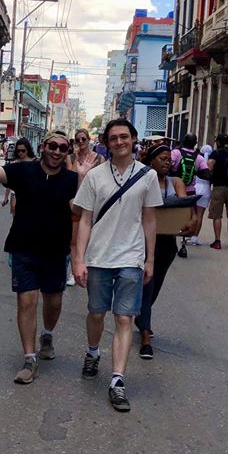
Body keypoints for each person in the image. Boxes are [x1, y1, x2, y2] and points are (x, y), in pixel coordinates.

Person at [73, 119, 162, 412]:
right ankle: (93, 351)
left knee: (124, 318)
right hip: (98, 258)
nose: (120, 142)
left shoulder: (147, 177)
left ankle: (118, 380)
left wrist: (149, 258)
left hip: (131, 258)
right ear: (107, 142)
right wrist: (79, 258)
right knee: (96, 313)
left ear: (134, 140)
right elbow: (84, 219)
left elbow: (149, 219)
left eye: (125, 137)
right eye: (114, 138)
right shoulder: (95, 177)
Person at [0, 123, 79, 384]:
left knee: (53, 301)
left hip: (56, 251)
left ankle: (47, 334)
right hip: (23, 247)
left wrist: (84, 179)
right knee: (26, 302)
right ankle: (29, 359)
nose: (57, 152)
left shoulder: (72, 179)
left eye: (63, 148)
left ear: (67, 152)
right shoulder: (24, 170)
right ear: (44, 147)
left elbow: (80, 214)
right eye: (53, 146)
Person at [136, 144, 192, 359]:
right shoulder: (142, 180)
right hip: (143, 241)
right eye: (162, 158)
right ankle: (145, 336)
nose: (168, 162)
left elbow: (183, 206)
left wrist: (190, 219)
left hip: (167, 243)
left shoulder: (175, 182)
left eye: (169, 159)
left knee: (155, 286)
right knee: (147, 285)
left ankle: (141, 317)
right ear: (151, 161)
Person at [171, 133, 208, 257]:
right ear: (195, 143)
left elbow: (168, 166)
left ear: (183, 141)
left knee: (171, 215)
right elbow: (206, 174)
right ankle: (183, 244)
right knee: (190, 217)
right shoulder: (199, 158)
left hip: (174, 189)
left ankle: (169, 238)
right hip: (190, 192)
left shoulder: (176, 153)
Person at [1, 138, 35, 212]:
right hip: (15, 194)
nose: (20, 153)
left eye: (23, 151)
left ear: (28, 150)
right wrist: (6, 197)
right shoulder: (14, 164)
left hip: (30, 195)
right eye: (18, 151)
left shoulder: (35, 163)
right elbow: (9, 182)